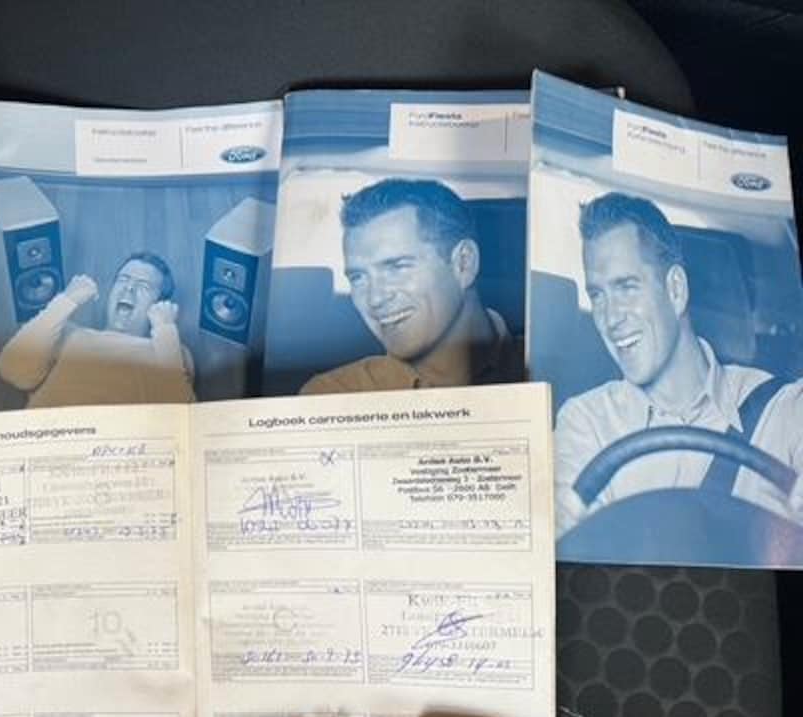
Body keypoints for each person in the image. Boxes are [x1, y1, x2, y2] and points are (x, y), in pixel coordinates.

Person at [554, 191, 803, 537]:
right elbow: (576, 548)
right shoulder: (586, 423)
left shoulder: (785, 410)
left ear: (675, 290)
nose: (610, 319)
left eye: (626, 287)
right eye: (597, 295)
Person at [299, 178, 520, 394]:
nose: (375, 299)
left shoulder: (537, 370)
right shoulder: (334, 394)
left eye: (397, 267)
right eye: (358, 277)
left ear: (464, 264)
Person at [0, 252, 195, 407]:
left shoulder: (166, 349)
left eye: (144, 286)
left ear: (157, 305)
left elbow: (178, 414)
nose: (129, 289)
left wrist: (165, 329)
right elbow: (13, 371)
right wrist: (66, 300)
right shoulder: (67, 333)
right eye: (123, 280)